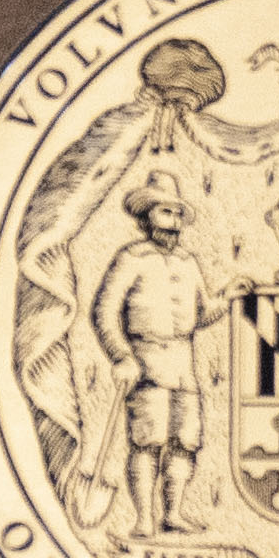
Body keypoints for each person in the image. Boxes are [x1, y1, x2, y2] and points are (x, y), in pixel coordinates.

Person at [89, 175, 230, 536]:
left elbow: (199, 316)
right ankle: (143, 519)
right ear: (148, 216)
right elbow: (104, 312)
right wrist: (121, 355)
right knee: (148, 442)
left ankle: (174, 514)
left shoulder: (188, 262)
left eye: (178, 214)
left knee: (185, 443)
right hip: (146, 363)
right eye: (166, 212)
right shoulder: (130, 259)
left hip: (184, 366)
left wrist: (228, 298)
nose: (174, 221)